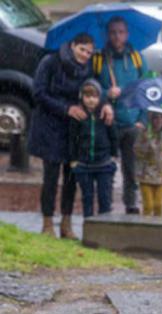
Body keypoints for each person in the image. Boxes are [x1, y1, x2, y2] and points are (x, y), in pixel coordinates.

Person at [28, 32, 114, 239]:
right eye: (82, 49)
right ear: (72, 45)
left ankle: (66, 224)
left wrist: (106, 103)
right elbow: (38, 93)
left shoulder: (88, 68)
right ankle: (47, 223)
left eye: (89, 52)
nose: (86, 55)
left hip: (74, 130)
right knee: (50, 177)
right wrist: (66, 108)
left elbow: (92, 93)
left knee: (72, 177)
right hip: (49, 126)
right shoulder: (50, 62)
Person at [94, 16, 149, 214]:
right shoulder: (99, 59)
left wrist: (142, 120)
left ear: (127, 34)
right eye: (113, 32)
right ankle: (105, 203)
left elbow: (147, 89)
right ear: (108, 35)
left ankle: (131, 203)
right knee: (105, 167)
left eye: (121, 32)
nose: (117, 36)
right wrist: (106, 94)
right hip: (107, 122)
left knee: (131, 168)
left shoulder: (137, 58)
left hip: (132, 123)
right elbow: (89, 89)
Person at [68, 79, 118, 218]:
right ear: (82, 97)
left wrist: (114, 155)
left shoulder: (105, 114)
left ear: (100, 97)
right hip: (84, 164)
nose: (91, 100)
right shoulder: (78, 116)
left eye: (95, 97)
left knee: (105, 198)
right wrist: (73, 160)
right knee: (87, 198)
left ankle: (105, 229)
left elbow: (113, 135)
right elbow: (72, 139)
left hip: (104, 163)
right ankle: (88, 228)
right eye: (87, 96)